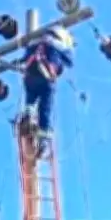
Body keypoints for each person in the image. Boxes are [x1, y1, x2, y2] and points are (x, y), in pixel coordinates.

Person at [18, 26, 75, 157]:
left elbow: (24, 58)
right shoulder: (60, 45)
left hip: (31, 75)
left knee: (30, 98)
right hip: (46, 76)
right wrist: (68, 48)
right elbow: (70, 62)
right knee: (45, 108)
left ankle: (28, 115)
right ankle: (43, 140)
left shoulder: (36, 43)